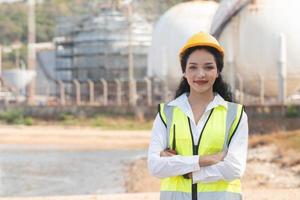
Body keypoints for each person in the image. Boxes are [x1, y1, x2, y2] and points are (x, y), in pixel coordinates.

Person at [148, 32, 248, 200]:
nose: (200, 74)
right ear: (184, 72)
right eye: (193, 67)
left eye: (208, 67)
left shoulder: (235, 115)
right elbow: (155, 166)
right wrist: (206, 159)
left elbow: (235, 168)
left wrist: (188, 172)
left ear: (217, 72)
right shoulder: (167, 114)